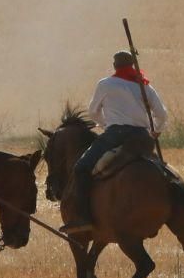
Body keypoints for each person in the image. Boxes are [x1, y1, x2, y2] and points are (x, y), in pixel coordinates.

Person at [61, 51, 169, 234]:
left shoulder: (106, 84)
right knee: (164, 170)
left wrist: (104, 124)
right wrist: (156, 132)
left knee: (81, 168)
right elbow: (162, 115)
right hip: (143, 138)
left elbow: (93, 112)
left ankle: (83, 218)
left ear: (115, 66)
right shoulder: (145, 87)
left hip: (116, 135)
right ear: (132, 65)